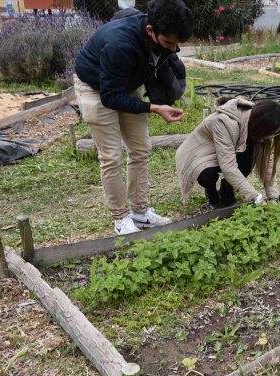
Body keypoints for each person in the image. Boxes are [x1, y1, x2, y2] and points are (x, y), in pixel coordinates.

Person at [73, 0, 192, 235]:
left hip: (123, 84)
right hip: (95, 88)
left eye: (177, 44)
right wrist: (154, 108)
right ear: (150, 30)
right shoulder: (120, 45)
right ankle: (120, 219)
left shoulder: (159, 38)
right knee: (111, 155)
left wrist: (161, 98)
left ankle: (140, 212)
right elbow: (110, 97)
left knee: (141, 148)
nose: (172, 49)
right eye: (169, 42)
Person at [176, 97, 280, 209]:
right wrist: (255, 196)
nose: (272, 137)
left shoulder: (257, 127)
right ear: (261, 127)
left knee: (250, 156)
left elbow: (268, 165)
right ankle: (211, 194)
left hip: (226, 151)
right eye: (271, 133)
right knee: (207, 174)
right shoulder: (224, 122)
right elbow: (228, 166)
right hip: (198, 153)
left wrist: (273, 198)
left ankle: (226, 190)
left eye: (275, 134)